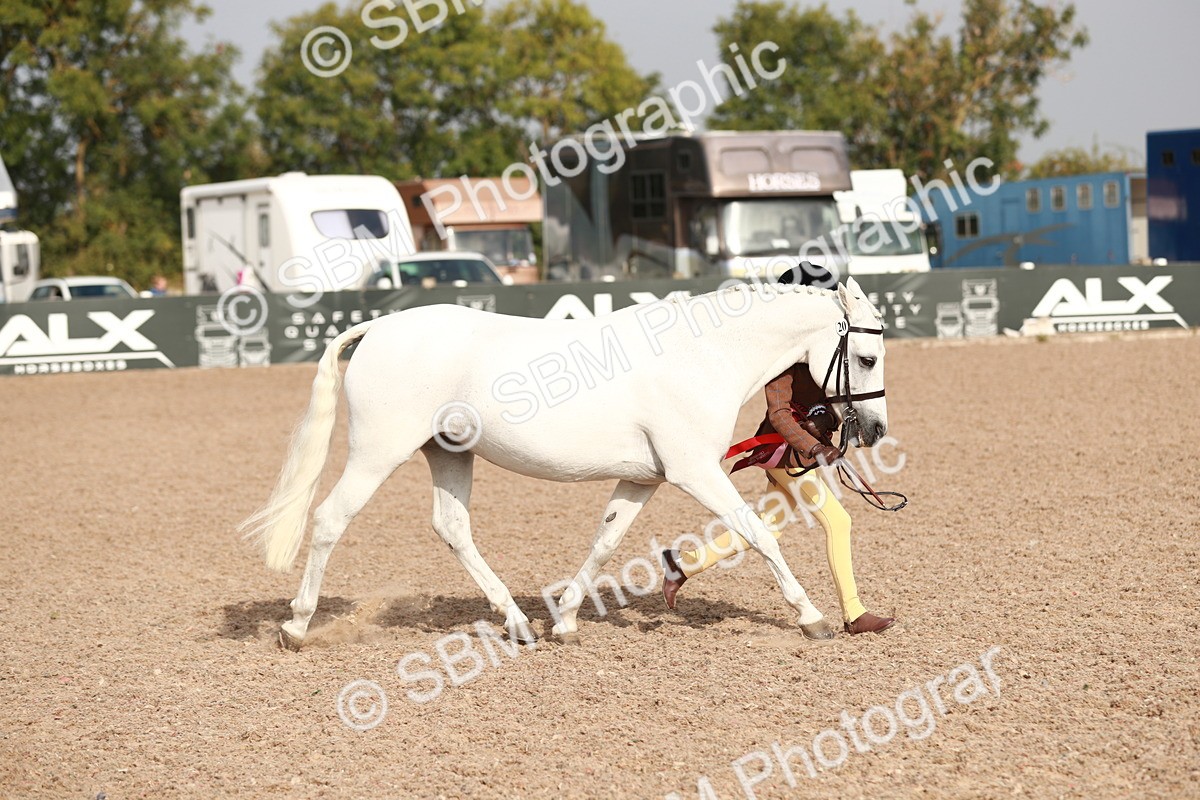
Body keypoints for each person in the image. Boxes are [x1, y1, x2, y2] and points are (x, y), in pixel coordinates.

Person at [660, 262, 895, 638]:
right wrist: (816, 447)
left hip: (801, 456)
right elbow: (779, 415)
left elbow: (835, 396)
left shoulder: (824, 348)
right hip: (784, 456)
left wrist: (844, 428)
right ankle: (853, 614)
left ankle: (683, 565)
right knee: (839, 522)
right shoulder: (781, 362)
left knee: (768, 527)